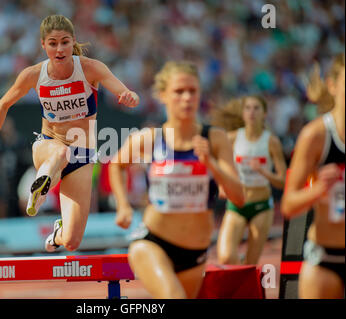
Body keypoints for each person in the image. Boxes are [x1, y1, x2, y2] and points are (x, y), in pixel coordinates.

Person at [0, 15, 139, 252]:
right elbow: (2, 105)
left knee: (72, 242)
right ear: (43, 45)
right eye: (52, 43)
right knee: (61, 151)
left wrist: (130, 97)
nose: (60, 48)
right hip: (49, 145)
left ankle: (56, 233)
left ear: (73, 41)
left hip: (82, 156)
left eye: (64, 42)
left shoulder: (90, 69)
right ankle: (40, 189)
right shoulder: (33, 74)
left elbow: (124, 92)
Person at [109, 61, 244, 299]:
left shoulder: (215, 138)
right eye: (179, 91)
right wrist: (123, 205)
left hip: (195, 252)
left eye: (192, 91)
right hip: (152, 242)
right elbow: (116, 164)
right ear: (163, 95)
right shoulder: (151, 138)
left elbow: (238, 197)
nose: (187, 98)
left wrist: (211, 163)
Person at [281, 53, 345, 299]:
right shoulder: (316, 135)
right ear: (332, 84)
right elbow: (288, 205)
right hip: (324, 260)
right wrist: (317, 190)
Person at [212, 95, 287, 265]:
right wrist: (223, 182)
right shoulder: (232, 138)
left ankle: (248, 281)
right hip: (237, 205)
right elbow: (213, 159)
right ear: (243, 113)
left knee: (251, 263)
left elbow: (282, 181)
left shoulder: (271, 142)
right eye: (248, 108)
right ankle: (241, 272)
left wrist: (263, 171)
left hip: (261, 206)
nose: (251, 112)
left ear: (264, 113)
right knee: (226, 257)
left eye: (256, 108)